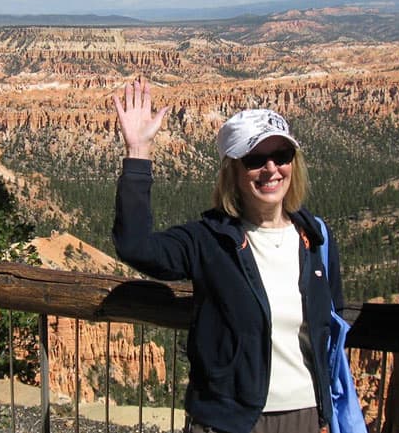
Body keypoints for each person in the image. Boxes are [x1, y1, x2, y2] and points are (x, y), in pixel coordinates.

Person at [112, 79, 344, 433]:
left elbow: (331, 322)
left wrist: (326, 411)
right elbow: (135, 246)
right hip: (228, 420)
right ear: (232, 171)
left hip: (307, 415)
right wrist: (138, 151)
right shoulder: (209, 240)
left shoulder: (315, 237)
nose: (271, 169)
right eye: (254, 159)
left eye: (282, 156)